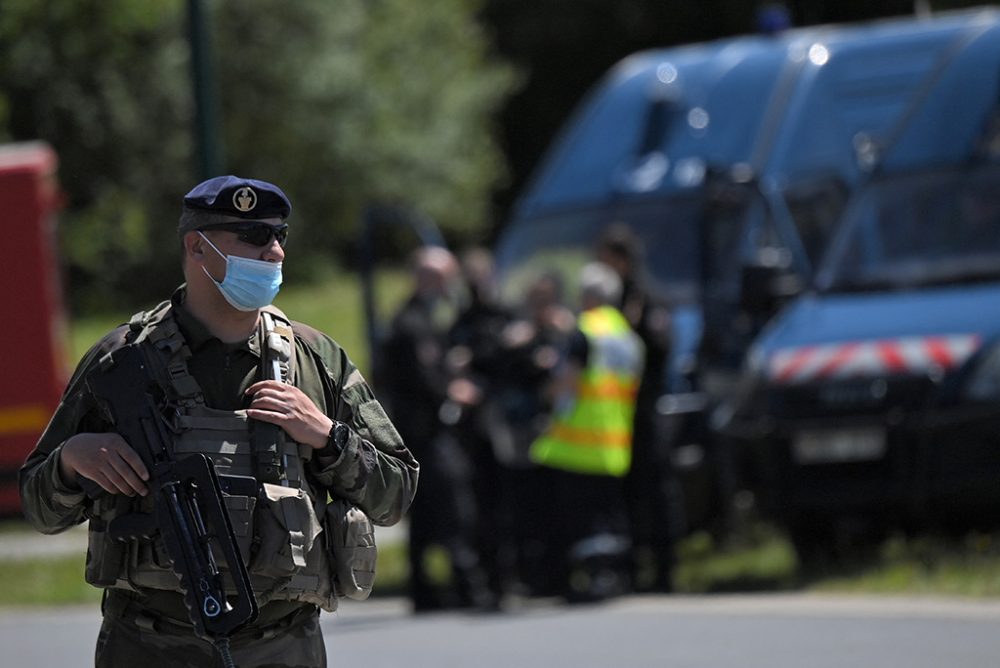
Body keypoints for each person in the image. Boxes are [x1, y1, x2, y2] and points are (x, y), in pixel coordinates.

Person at [19, 175, 419, 667]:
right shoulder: (122, 362)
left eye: (279, 237)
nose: (274, 252)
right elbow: (39, 506)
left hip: (282, 646)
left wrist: (327, 436)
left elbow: (396, 493)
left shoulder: (314, 359)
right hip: (150, 645)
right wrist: (70, 461)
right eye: (253, 237)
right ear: (198, 247)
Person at [378, 246, 487, 612]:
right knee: (454, 506)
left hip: (418, 433)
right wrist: (453, 386)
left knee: (425, 513)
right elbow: (424, 379)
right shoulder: (411, 323)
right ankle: (467, 587)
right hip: (424, 433)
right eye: (443, 278)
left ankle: (425, 591)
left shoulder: (421, 319)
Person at [529, 261, 644, 602]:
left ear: (589, 297)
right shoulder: (627, 337)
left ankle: (585, 583)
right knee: (609, 518)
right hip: (614, 442)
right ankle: (613, 578)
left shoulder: (585, 330)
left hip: (576, 442)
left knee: (577, 521)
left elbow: (567, 381)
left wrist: (547, 398)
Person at [596, 222, 680, 593]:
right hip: (616, 412)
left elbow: (660, 349)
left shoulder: (645, 298)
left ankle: (665, 570)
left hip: (646, 409)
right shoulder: (610, 301)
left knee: (657, 491)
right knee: (626, 494)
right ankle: (631, 569)